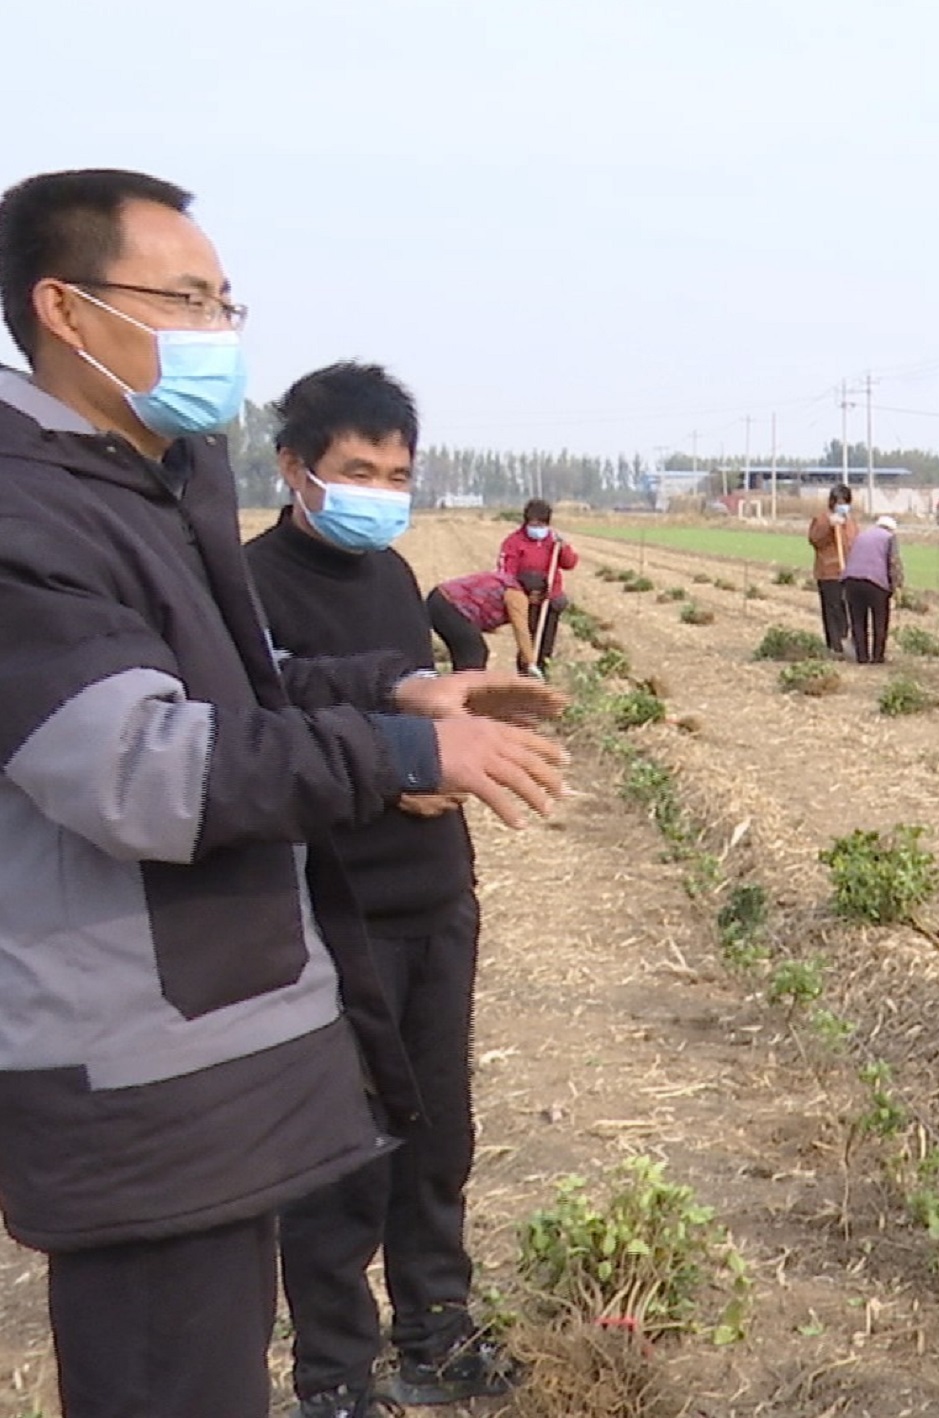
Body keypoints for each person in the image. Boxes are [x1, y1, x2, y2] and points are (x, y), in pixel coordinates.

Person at [0, 168, 566, 1418]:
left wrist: (398, 689)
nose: (219, 329)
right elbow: (147, 766)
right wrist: (399, 754)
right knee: (174, 1370)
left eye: (226, 300)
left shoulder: (147, 485)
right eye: (187, 299)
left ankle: (419, 1335)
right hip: (133, 1063)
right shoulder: (27, 509)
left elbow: (244, 682)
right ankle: (343, 1373)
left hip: (214, 1025)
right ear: (66, 308)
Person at [245, 364, 509, 1417]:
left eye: (397, 475)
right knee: (339, 1158)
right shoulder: (248, 586)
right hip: (331, 908)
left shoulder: (394, 575)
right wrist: (391, 778)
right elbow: (266, 739)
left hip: (436, 895)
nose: (380, 492)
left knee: (438, 1135)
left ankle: (436, 1336)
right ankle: (336, 1376)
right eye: (357, 470)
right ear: (294, 467)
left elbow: (418, 717)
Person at [497, 498, 576, 669]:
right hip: (525, 598)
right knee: (527, 640)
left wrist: (564, 548)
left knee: (546, 643)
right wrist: (523, 595)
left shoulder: (554, 541)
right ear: (526, 522)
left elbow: (569, 564)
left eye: (542, 524)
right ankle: (525, 674)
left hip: (549, 598)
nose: (538, 528)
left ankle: (542, 673)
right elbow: (506, 574)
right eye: (534, 524)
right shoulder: (514, 542)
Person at [426, 567, 545, 674]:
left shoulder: (504, 581)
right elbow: (521, 631)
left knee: (467, 654)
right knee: (475, 655)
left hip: (439, 600)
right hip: (450, 606)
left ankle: (460, 687)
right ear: (535, 593)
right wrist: (530, 662)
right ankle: (466, 688)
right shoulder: (516, 595)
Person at [842, 513, 904, 664]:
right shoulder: (889, 538)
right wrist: (897, 585)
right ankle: (877, 657)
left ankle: (862, 657)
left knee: (858, 620)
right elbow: (894, 562)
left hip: (851, 580)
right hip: (875, 582)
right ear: (891, 529)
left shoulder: (862, 535)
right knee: (880, 620)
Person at [805, 483, 858, 654]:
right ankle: (835, 646)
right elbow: (815, 539)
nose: (842, 505)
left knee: (847, 608)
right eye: (839, 502)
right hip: (829, 572)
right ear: (832, 502)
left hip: (848, 571)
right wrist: (829, 525)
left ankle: (846, 640)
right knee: (832, 609)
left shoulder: (850, 521)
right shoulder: (822, 519)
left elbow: (854, 542)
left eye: (845, 502)